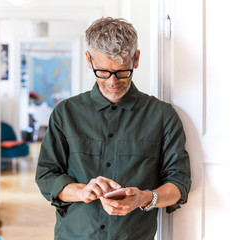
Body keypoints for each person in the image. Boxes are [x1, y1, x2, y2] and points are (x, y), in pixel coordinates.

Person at [35, 17, 191, 240]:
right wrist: (81, 191)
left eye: (122, 72)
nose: (112, 82)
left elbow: (179, 184)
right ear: (89, 60)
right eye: (103, 72)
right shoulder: (65, 113)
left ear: (136, 59)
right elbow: (46, 176)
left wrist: (144, 198)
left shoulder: (163, 116)